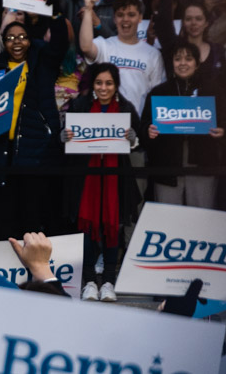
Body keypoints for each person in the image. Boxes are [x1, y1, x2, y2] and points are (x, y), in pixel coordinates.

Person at [0, 11, 69, 240]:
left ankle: (33, 268)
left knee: (31, 215)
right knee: (4, 216)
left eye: (22, 37)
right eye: (10, 38)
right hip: (1, 152)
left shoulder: (41, 65)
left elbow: (59, 45)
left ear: (30, 41)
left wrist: (55, 15)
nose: (16, 42)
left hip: (34, 151)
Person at [62, 63, 142, 302]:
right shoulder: (79, 106)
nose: (104, 88)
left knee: (113, 228)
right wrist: (63, 137)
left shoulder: (126, 108)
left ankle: (108, 281)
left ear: (116, 85)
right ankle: (88, 282)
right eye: (99, 83)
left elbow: (139, 141)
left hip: (116, 181)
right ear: (93, 85)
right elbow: (66, 143)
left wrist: (133, 138)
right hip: (86, 181)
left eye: (109, 83)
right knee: (85, 230)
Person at [141, 41, 226, 208]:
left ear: (196, 63)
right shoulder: (159, 92)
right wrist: (147, 131)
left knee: (201, 218)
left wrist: (224, 131)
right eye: (177, 59)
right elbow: (144, 125)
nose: (182, 63)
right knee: (168, 220)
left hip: (202, 164)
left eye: (188, 59)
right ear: (172, 63)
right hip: (167, 167)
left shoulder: (212, 90)